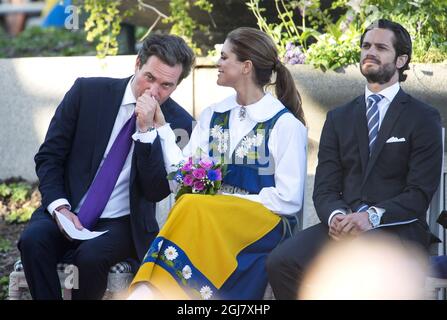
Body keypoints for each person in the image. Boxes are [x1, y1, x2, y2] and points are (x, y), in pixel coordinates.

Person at [266, 19, 443, 300]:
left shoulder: (423, 118)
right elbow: (324, 188)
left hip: (396, 229)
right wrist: (337, 216)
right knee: (282, 261)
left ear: (401, 59)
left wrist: (370, 218)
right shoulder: (339, 117)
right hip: (342, 227)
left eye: (381, 47)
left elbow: (418, 194)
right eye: (366, 46)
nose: (370, 52)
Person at [127, 27, 307, 300]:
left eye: (224, 57)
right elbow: (182, 176)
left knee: (192, 205)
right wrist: (161, 129)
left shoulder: (284, 124)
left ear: (246, 67)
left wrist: (222, 203)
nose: (217, 63)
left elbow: (290, 199)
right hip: (210, 220)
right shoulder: (214, 114)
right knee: (190, 203)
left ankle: (146, 290)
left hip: (263, 227)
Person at [18, 34, 195, 300]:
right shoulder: (87, 92)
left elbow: (156, 190)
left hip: (122, 221)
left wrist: (147, 131)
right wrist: (60, 207)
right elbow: (49, 157)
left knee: (90, 257)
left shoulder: (179, 123)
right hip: (68, 205)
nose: (154, 91)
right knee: (33, 241)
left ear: (177, 85)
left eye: (166, 85)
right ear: (137, 64)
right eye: (149, 77)